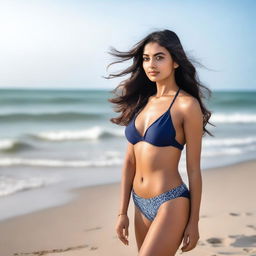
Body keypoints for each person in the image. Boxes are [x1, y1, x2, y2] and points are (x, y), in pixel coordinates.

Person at [106, 29, 214, 255]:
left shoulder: (186, 105)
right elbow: (129, 163)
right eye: (146, 58)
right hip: (140, 204)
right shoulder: (140, 103)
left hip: (171, 201)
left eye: (159, 57)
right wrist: (122, 212)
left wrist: (194, 222)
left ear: (175, 62)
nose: (151, 64)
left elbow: (194, 170)